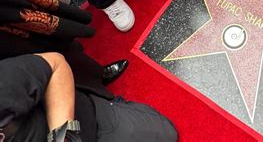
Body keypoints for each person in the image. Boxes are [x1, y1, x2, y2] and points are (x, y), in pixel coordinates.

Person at [0, 53, 177, 141]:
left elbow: (55, 64)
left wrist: (63, 137)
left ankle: (110, 103)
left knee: (166, 134)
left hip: (88, 125)